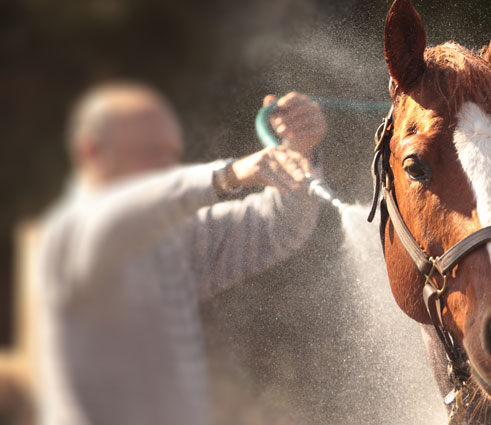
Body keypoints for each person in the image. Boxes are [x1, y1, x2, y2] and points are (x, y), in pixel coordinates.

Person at [34, 81, 327, 425]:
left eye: (170, 155)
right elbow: (120, 216)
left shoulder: (176, 239)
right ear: (90, 153)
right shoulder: (69, 235)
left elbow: (279, 227)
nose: (166, 166)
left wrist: (300, 151)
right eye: (150, 150)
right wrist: (229, 175)